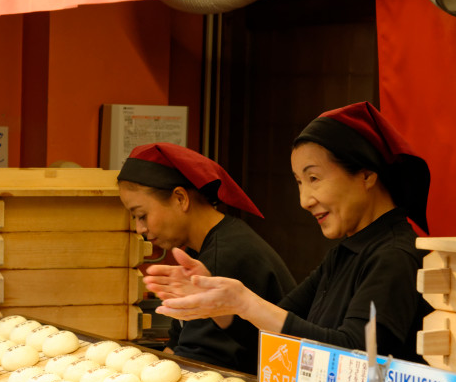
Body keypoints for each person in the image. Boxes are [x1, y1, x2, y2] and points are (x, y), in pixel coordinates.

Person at [143, 102, 432, 363]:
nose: (304, 200)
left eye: (314, 178)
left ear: (367, 175)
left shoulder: (395, 255)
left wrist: (245, 301)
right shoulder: (343, 254)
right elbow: (270, 339)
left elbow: (356, 355)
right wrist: (223, 305)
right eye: (299, 182)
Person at [117, 143, 295, 373]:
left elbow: (199, 362)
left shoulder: (225, 256)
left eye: (142, 215)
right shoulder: (195, 250)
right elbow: (177, 344)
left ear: (180, 198)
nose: (140, 228)